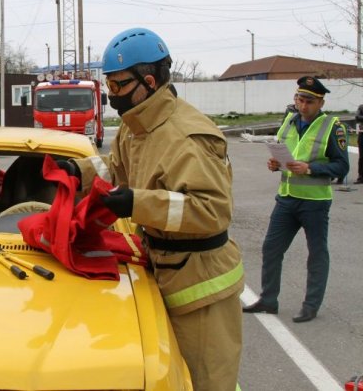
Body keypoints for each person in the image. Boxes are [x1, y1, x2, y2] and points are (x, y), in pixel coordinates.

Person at [64, 27, 243, 390]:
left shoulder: (188, 137)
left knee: (207, 382)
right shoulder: (137, 125)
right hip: (164, 269)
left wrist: (136, 203)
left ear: (147, 81)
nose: (111, 95)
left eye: (117, 86)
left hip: (201, 286)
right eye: (108, 85)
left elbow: (212, 211)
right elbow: (117, 168)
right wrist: (75, 171)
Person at [243, 76, 348, 323]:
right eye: (300, 99)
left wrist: (310, 168)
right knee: (271, 248)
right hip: (287, 198)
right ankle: (269, 300)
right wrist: (274, 164)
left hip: (315, 202)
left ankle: (311, 305)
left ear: (321, 102)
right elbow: (283, 152)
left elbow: (342, 166)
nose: (303, 106)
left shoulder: (332, 127)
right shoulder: (290, 122)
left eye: (309, 101)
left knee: (316, 253)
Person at [355, 103, 363, 184]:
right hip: (362, 135)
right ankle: (361, 176)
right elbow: (357, 117)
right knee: (362, 157)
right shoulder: (361, 107)